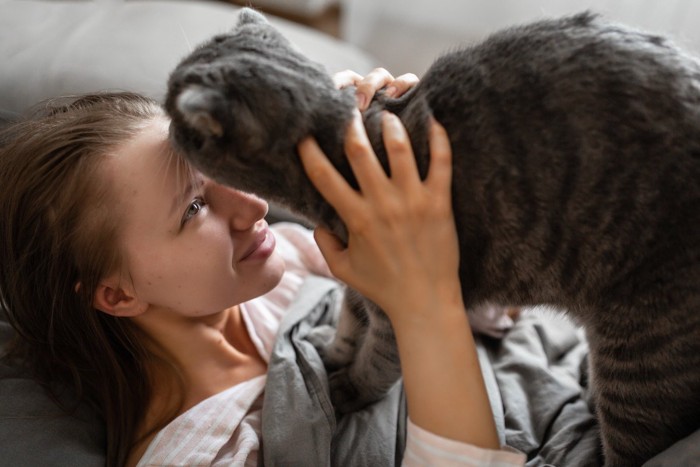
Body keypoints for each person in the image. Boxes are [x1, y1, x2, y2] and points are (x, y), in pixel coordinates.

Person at [0, 69, 525, 466]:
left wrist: (400, 157)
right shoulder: (208, 454)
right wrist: (424, 304)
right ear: (117, 294)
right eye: (194, 208)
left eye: (217, 167)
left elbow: (479, 286)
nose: (254, 205)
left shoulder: (283, 261)